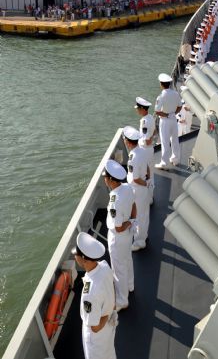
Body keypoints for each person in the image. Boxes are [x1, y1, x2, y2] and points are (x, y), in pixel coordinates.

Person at [72, 232, 117, 359]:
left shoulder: (90, 293)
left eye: (76, 254)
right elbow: (112, 287)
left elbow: (95, 327)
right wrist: (111, 310)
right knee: (109, 353)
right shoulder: (104, 266)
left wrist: (106, 315)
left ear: (84, 259)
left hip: (96, 338)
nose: (75, 256)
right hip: (108, 327)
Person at [103, 159, 135, 309]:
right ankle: (130, 286)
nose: (104, 179)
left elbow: (119, 227)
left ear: (110, 180)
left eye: (105, 177)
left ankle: (122, 301)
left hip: (118, 237)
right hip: (128, 236)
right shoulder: (127, 188)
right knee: (127, 260)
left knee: (118, 269)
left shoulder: (115, 199)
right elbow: (134, 205)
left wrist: (128, 223)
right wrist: (132, 221)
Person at [123, 126, 150, 251]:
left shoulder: (132, 157)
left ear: (128, 142)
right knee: (144, 214)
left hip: (138, 189)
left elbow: (135, 179)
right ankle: (144, 236)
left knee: (139, 216)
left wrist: (145, 184)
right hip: (143, 188)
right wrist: (148, 181)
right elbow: (147, 168)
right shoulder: (142, 151)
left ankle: (140, 242)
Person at [154, 73, 182, 170]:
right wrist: (173, 113)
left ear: (161, 84)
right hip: (174, 119)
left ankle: (164, 163)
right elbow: (180, 106)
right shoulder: (175, 93)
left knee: (165, 142)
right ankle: (175, 159)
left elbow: (157, 111)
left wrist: (167, 115)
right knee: (174, 140)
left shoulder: (161, 96)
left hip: (165, 121)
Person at [135, 97, 156, 205]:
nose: (136, 110)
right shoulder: (151, 117)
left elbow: (147, 141)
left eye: (138, 108)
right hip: (149, 150)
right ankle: (150, 197)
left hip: (145, 151)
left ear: (143, 108)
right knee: (150, 174)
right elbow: (155, 131)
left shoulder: (144, 121)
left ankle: (148, 199)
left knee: (145, 175)